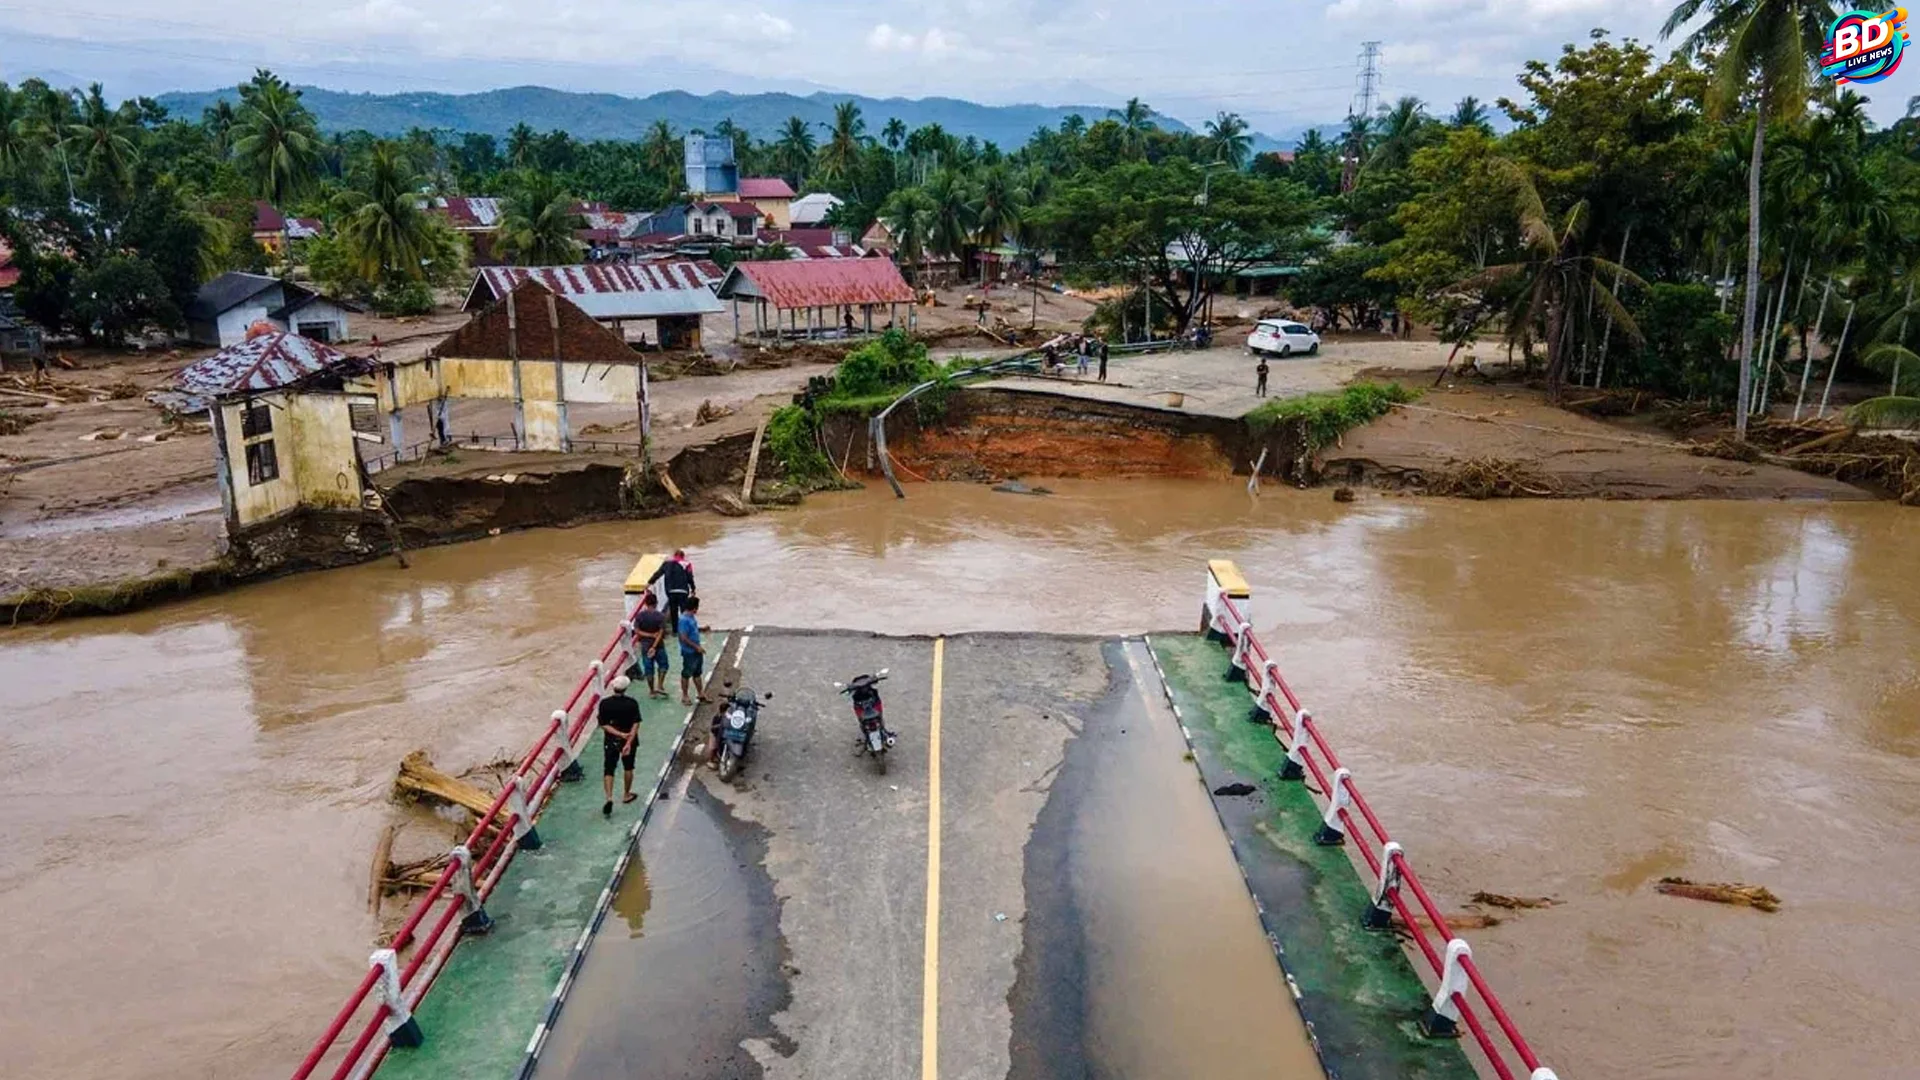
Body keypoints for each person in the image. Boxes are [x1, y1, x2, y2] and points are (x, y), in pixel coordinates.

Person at [598, 675, 643, 816]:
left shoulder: (604, 703)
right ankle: (626, 794)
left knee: (609, 769)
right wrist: (628, 740)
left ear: (613, 687)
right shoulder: (632, 703)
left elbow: (603, 725)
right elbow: (636, 724)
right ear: (626, 688)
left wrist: (618, 734)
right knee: (628, 767)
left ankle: (609, 797)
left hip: (611, 740)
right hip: (628, 739)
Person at [648, 549, 697, 637]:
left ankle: (675, 631)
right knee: (684, 611)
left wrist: (649, 583)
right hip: (683, 591)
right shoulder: (687, 564)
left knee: (673, 611)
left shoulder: (666, 563)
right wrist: (693, 589)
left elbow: (658, 574)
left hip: (671, 591)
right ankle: (684, 631)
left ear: (674, 555)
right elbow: (690, 578)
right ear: (683, 556)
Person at [629, 593, 670, 698]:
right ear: (656, 603)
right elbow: (660, 633)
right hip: (659, 646)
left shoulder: (640, 616)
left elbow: (637, 631)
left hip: (645, 646)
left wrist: (649, 635)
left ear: (646, 603)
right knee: (663, 665)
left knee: (649, 669)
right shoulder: (660, 616)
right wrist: (654, 646)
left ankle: (652, 691)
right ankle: (660, 685)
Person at [678, 595, 706, 707]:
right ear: (694, 608)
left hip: (696, 651)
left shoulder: (691, 617)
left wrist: (701, 629)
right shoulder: (684, 620)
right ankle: (685, 695)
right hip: (689, 652)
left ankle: (701, 693)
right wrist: (696, 647)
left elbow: (692, 630)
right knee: (686, 674)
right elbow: (683, 637)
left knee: (697, 673)